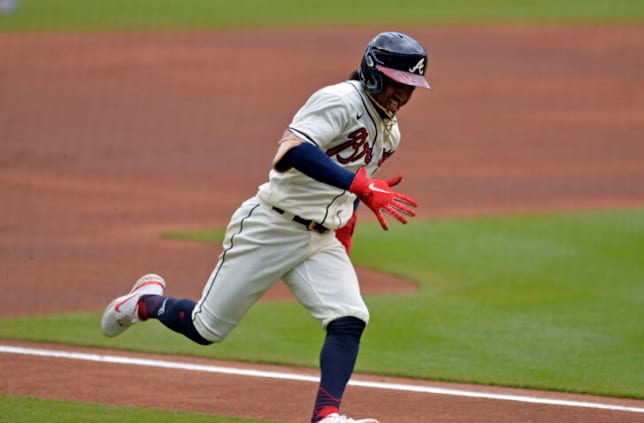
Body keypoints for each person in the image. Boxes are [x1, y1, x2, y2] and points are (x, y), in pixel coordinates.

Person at [101, 31, 430, 423]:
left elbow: (353, 193)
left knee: (349, 317)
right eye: (397, 82)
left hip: (320, 239)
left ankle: (325, 417)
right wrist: (359, 185)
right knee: (206, 328)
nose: (402, 94)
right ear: (375, 73)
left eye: (410, 86)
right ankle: (144, 303)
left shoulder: (390, 132)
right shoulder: (339, 100)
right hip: (270, 226)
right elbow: (292, 152)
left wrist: (344, 236)